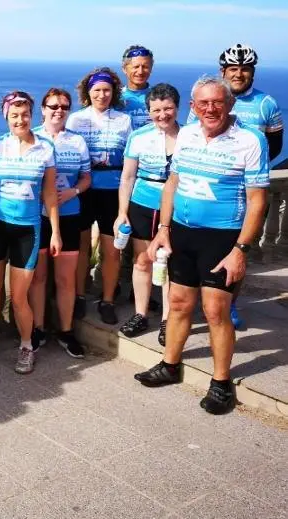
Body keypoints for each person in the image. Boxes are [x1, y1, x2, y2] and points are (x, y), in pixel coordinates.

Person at [135, 76, 270, 415]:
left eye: (217, 102)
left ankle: (221, 382)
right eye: (203, 103)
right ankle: (170, 364)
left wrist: (241, 249)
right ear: (193, 107)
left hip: (222, 238)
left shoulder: (250, 140)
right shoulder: (188, 135)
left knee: (215, 311)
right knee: (179, 302)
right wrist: (163, 229)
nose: (211, 109)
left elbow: (258, 201)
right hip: (182, 231)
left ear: (230, 104)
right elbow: (173, 183)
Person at [188, 44, 284, 330]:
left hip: (246, 190)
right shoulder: (208, 99)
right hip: (208, 188)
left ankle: (229, 303)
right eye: (234, 69)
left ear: (252, 72)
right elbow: (192, 137)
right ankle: (198, 300)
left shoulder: (267, 104)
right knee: (198, 245)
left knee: (239, 249)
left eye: (245, 69)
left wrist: (246, 168)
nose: (239, 74)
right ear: (223, 72)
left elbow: (274, 147)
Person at [0, 91, 62, 374]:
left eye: (25, 114)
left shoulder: (46, 147)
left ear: (32, 115)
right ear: (6, 116)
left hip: (28, 229)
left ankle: (27, 345)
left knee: (18, 296)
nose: (20, 120)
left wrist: (55, 232)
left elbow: (50, 193)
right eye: (14, 115)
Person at [28, 88, 91, 358]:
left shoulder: (77, 141)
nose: (59, 110)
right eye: (53, 105)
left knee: (66, 279)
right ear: (43, 109)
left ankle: (65, 331)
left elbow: (86, 178)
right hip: (37, 216)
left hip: (69, 215)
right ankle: (39, 328)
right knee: (39, 277)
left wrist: (73, 192)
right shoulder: (31, 138)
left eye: (64, 106)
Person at [67, 68, 133, 325]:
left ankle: (107, 300)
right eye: (97, 91)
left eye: (106, 90)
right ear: (88, 93)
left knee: (111, 249)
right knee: (82, 247)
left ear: (113, 92)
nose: (102, 95)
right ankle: (80, 296)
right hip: (84, 189)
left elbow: (131, 157)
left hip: (113, 189)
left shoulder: (124, 120)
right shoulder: (76, 119)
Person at [115, 84, 179, 344]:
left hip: (175, 207)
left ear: (177, 107)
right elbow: (127, 176)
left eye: (167, 109)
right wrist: (122, 212)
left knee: (170, 264)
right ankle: (140, 313)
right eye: (156, 110)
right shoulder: (139, 136)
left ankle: (168, 319)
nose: (162, 115)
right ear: (148, 111)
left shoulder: (190, 137)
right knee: (142, 261)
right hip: (142, 204)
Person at [121, 45, 155, 130]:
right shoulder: (115, 97)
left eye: (145, 67)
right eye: (136, 67)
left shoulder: (158, 96)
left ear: (151, 69)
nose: (140, 72)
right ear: (124, 69)